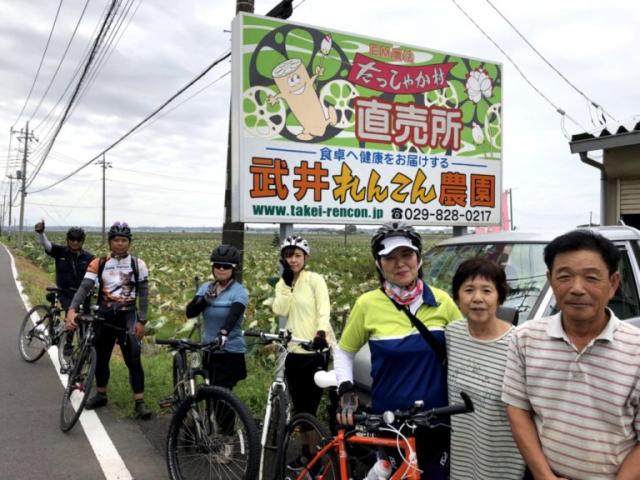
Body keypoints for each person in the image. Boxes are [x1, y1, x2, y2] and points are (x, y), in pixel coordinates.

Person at [502, 229, 640, 479]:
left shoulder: (636, 349)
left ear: (613, 284)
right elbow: (518, 409)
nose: (577, 289)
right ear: (550, 279)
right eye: (564, 276)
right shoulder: (524, 338)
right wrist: (544, 475)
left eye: (591, 278)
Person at [334, 221, 462, 480]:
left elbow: (468, 348)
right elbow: (344, 351)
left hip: (438, 419)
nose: (400, 263)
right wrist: (346, 390)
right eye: (389, 258)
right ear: (379, 264)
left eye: (406, 255)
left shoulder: (442, 302)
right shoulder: (367, 304)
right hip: (391, 419)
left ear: (419, 258)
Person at [446, 257, 524, 479]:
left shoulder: (518, 343)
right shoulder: (453, 334)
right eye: (468, 290)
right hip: (462, 463)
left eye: (487, 291)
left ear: (500, 297)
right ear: (457, 296)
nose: (477, 299)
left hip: (503, 466)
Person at [66, 222, 152, 419]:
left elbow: (144, 295)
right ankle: (101, 394)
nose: (120, 244)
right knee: (101, 357)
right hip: (105, 316)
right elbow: (84, 287)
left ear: (129, 242)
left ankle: (139, 402)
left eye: (123, 240)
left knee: (134, 358)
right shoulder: (99, 263)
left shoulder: (138, 264)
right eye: (116, 240)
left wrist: (142, 321)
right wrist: (72, 309)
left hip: (128, 316)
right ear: (110, 242)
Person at [272, 235, 335, 417]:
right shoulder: (282, 284)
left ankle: (315, 445)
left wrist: (321, 334)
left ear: (305, 257)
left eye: (297, 255)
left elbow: (324, 310)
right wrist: (285, 284)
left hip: (315, 350)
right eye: (288, 256)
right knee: (299, 408)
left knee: (311, 409)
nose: (293, 260)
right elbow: (280, 310)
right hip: (294, 351)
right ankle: (305, 446)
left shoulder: (314, 280)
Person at [185, 244, 249, 390]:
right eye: (218, 265)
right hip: (209, 349)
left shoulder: (239, 291)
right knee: (211, 394)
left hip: (230, 351)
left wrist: (224, 332)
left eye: (226, 266)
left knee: (223, 396)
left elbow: (235, 314)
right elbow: (190, 312)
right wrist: (204, 301)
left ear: (234, 269)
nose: (221, 269)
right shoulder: (206, 288)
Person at [34, 221, 94, 361]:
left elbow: (95, 274)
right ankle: (68, 343)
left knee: (85, 318)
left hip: (82, 293)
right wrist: (41, 233)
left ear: (82, 241)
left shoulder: (89, 257)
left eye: (78, 239)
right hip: (64, 291)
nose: (75, 242)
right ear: (67, 240)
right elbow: (46, 245)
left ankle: (84, 346)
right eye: (72, 239)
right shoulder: (60, 251)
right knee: (70, 313)